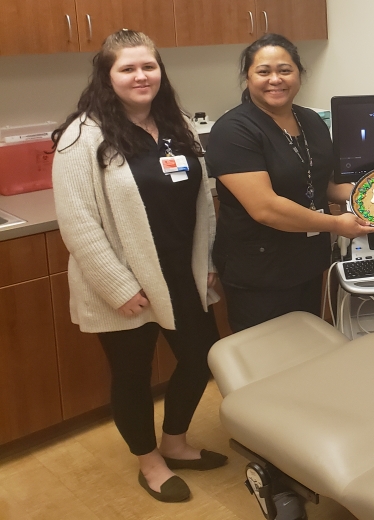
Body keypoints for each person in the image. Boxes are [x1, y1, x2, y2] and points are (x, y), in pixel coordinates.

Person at [51, 30, 225, 504]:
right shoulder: (82, 138)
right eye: (127, 68)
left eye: (148, 66)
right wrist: (117, 286)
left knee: (200, 356)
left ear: (160, 71)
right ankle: (150, 462)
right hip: (123, 284)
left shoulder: (178, 124)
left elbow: (203, 204)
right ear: (107, 77)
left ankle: (176, 443)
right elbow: (78, 223)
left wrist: (206, 260)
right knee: (132, 374)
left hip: (180, 274)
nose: (140, 76)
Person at [206, 34, 374, 332]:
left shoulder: (310, 120)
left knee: (306, 350)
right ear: (247, 78)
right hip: (259, 272)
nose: (275, 79)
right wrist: (337, 225)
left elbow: (324, 184)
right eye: (264, 72)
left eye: (285, 70)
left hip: (307, 263)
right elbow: (266, 209)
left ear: (299, 74)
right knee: (266, 362)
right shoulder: (233, 131)